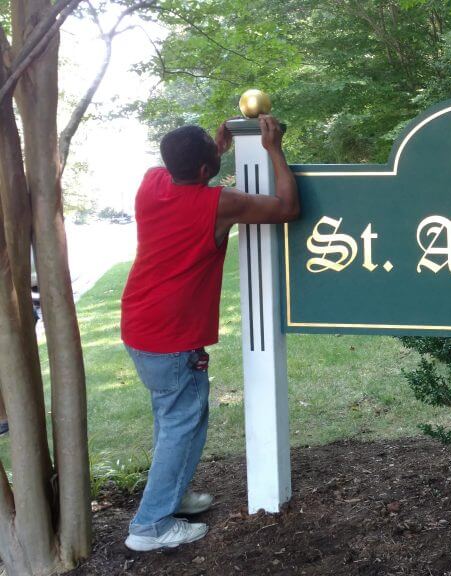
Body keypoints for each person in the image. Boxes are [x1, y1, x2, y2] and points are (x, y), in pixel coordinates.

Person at [120, 115, 298, 552]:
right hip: (171, 337)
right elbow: (288, 209)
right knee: (181, 426)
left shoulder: (151, 184)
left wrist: (210, 153)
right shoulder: (219, 204)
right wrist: (273, 149)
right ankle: (150, 527)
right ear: (204, 170)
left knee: (170, 421)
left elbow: (183, 169)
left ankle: (171, 495)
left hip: (139, 326)